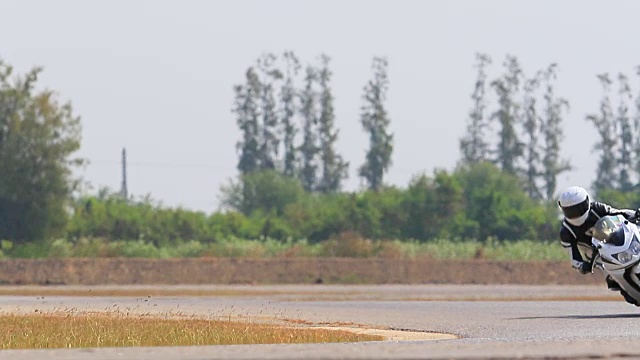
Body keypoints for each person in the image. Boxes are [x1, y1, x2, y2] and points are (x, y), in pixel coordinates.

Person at [557, 185, 637, 291]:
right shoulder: (566, 231)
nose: (575, 214)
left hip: (616, 240)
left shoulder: (597, 208)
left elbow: (618, 212)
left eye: (578, 208)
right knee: (611, 277)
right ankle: (625, 288)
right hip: (595, 253)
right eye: (570, 211)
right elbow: (573, 256)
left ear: (586, 202)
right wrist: (581, 266)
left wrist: (635, 214)